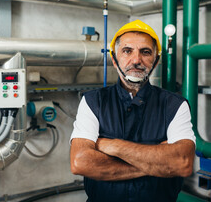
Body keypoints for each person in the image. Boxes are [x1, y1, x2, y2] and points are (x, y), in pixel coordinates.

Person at [70, 20, 196, 202]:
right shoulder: (92, 102)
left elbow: (182, 163)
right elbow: (81, 162)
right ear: (114, 59)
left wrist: (111, 146)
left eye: (145, 52)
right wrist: (157, 163)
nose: (136, 60)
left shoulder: (175, 105)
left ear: (156, 60)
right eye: (127, 51)